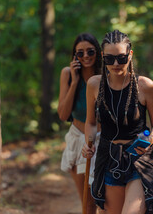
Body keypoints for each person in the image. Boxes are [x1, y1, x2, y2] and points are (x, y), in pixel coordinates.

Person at [83, 30, 153, 214]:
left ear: (130, 54)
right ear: (103, 57)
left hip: (138, 159)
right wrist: (88, 143)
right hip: (109, 159)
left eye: (121, 57)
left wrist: (149, 139)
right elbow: (91, 122)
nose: (116, 64)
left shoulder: (145, 86)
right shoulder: (94, 85)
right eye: (110, 59)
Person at [58, 33, 102, 214]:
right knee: (87, 204)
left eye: (90, 51)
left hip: (103, 140)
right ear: (74, 56)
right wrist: (75, 82)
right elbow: (63, 114)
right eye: (80, 53)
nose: (86, 56)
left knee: (106, 201)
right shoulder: (67, 74)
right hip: (78, 140)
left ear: (97, 53)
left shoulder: (105, 75)